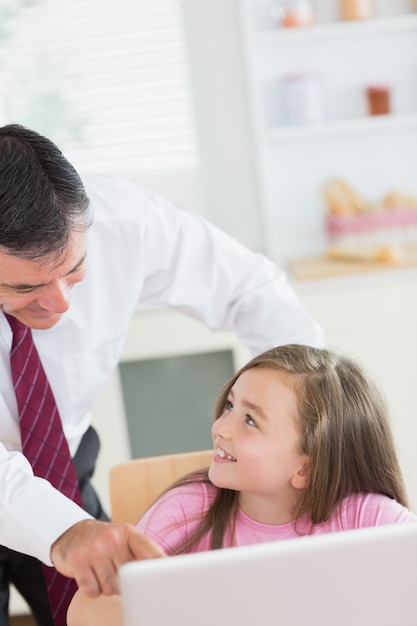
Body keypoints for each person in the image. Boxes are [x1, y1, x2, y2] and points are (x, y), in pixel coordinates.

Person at [0, 124, 324, 625]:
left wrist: (308, 419)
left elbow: (250, 290)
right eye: (28, 286)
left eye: (75, 269)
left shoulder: (126, 222)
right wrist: (60, 530)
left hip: (62, 472)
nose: (62, 302)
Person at [67, 343, 417, 626]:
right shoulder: (188, 508)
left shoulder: (365, 519)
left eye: (250, 420)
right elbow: (85, 610)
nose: (220, 426)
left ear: (305, 469)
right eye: (230, 405)